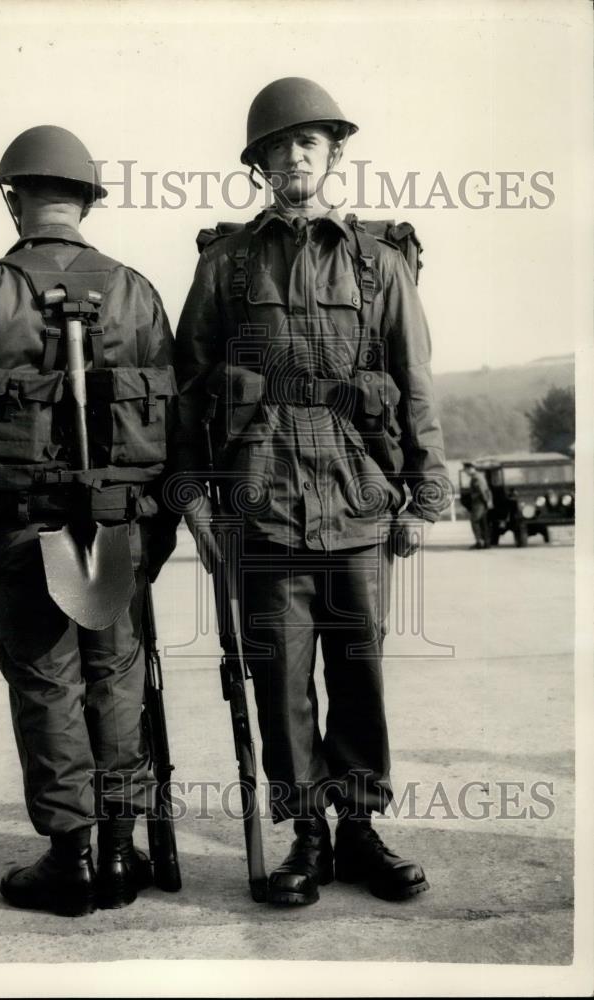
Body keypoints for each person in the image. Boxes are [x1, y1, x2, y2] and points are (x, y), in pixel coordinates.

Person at [174, 78, 449, 906]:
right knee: (279, 679)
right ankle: (306, 836)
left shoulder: (381, 262)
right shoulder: (223, 268)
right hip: (259, 506)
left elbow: (415, 380)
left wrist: (425, 497)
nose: (294, 156)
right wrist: (193, 503)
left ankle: (360, 831)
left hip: (359, 504)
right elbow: (186, 391)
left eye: (310, 143)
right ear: (256, 161)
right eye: (278, 145)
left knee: (358, 676)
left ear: (333, 156)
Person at [0, 125, 177, 917]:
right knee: (117, 679)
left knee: (45, 684)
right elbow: (174, 422)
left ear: (15, 199)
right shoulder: (136, 289)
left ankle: (70, 860)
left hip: (20, 525)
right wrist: (153, 531)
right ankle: (122, 852)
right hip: (117, 526)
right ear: (86, 200)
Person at [462, 461, 493, 549]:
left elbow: (482, 491)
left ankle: (479, 542)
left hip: (479, 503)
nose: (466, 472)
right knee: (483, 523)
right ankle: (486, 543)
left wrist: (486, 502)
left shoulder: (476, 478)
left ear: (470, 469)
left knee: (475, 521)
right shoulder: (478, 476)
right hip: (482, 502)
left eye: (466, 470)